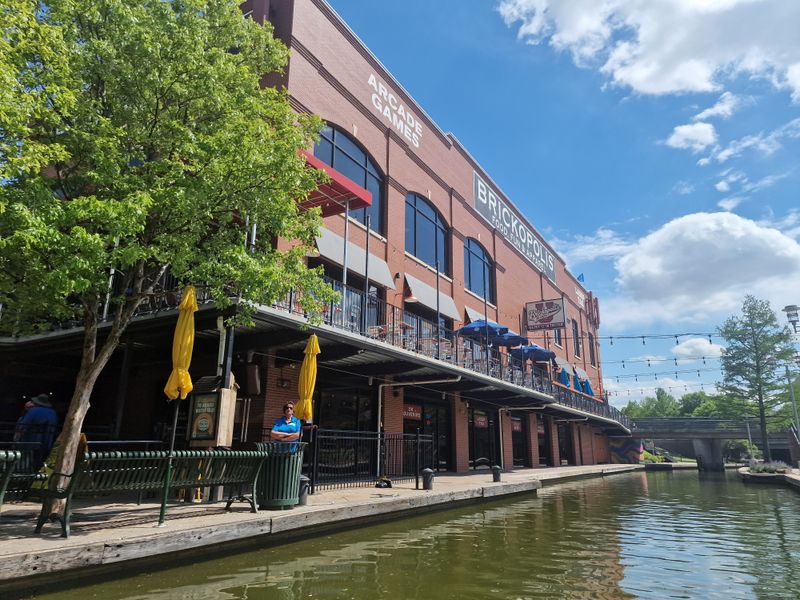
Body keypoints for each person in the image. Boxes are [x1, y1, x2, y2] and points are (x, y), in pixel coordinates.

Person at [14, 393, 59, 465]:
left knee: (24, 461)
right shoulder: (53, 413)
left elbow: (23, 426)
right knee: (38, 462)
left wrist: (17, 439)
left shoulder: (34, 411)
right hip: (47, 442)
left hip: (30, 441)